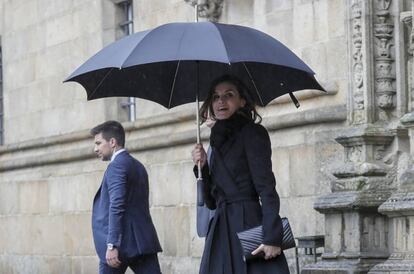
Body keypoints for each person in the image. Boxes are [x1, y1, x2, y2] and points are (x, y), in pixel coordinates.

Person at [191, 75, 290, 274]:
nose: (221, 101)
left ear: (242, 101)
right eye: (216, 96)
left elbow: (266, 188)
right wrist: (202, 167)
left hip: (248, 224)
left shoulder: (253, 133)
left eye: (229, 95)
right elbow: (212, 202)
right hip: (221, 229)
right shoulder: (216, 140)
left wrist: (271, 237)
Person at [91, 121, 162, 274]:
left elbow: (117, 205)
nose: (95, 149)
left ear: (112, 142)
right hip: (142, 242)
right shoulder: (138, 165)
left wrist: (112, 245)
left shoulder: (116, 166)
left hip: (120, 246)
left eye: (98, 143)